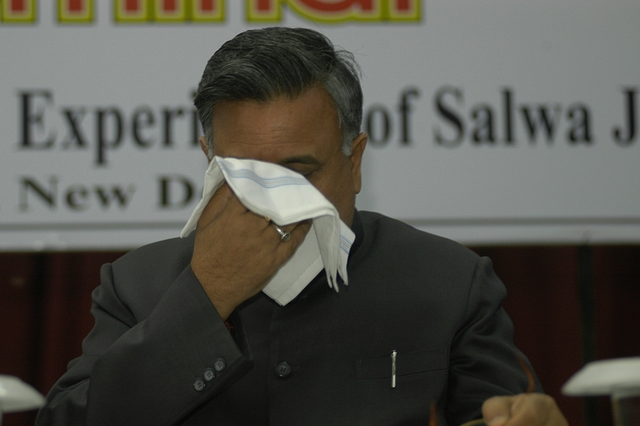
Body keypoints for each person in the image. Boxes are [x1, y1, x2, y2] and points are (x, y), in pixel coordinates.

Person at [36, 27, 568, 426]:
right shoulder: (138, 285)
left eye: (298, 172)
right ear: (209, 161)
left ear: (354, 161)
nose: (273, 202)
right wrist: (206, 296)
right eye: (246, 174)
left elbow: (507, 413)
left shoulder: (450, 282)